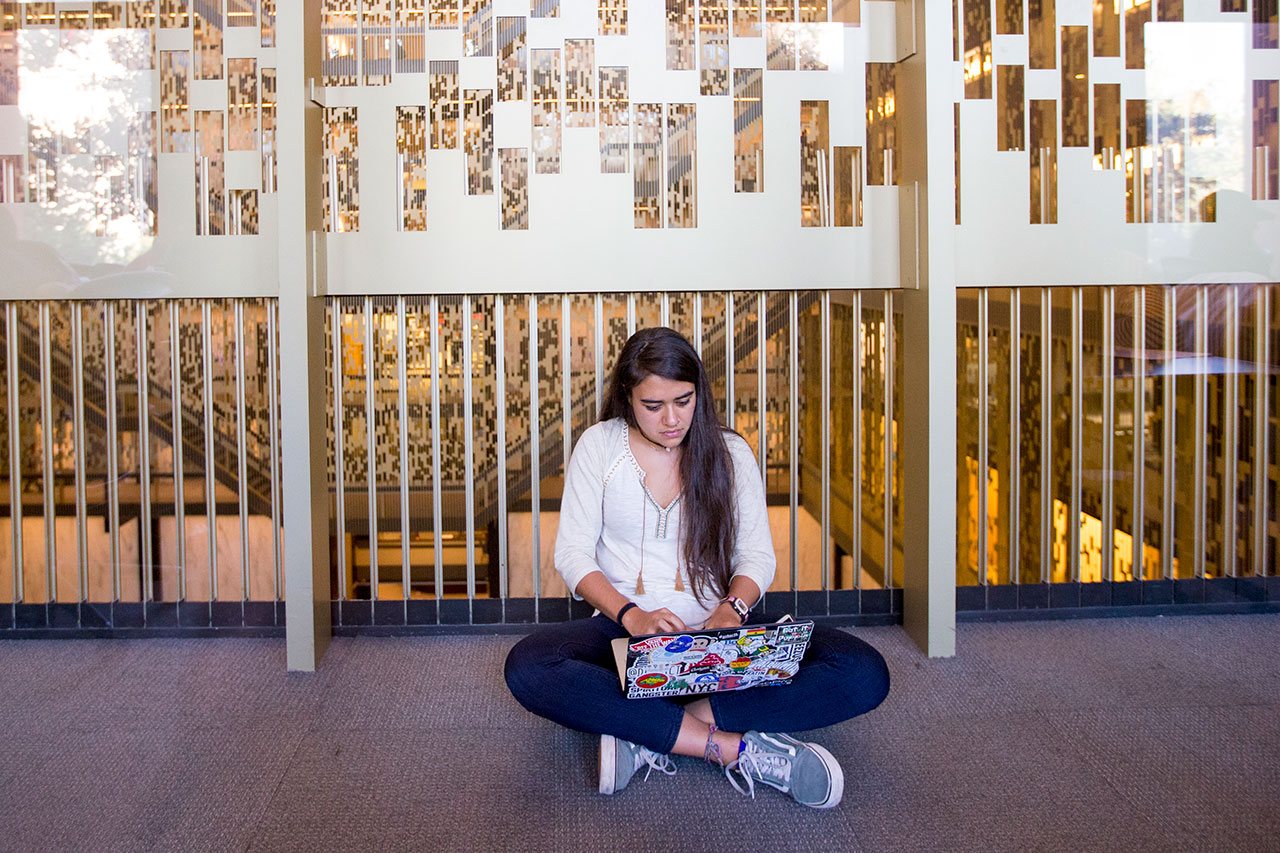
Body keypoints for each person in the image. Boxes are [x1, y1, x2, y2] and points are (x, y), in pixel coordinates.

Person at [503, 327, 890, 809]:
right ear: (627, 396)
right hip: (627, 635)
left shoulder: (730, 454)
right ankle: (730, 746)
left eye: (683, 401)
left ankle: (649, 727)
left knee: (863, 671)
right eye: (653, 406)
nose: (671, 420)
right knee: (528, 666)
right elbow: (573, 555)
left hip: (717, 635)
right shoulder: (599, 447)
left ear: (698, 393)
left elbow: (756, 557)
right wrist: (633, 617)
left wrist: (732, 610)